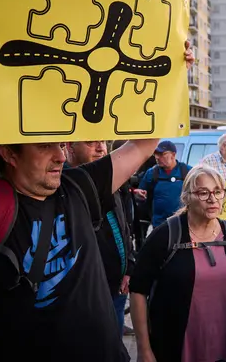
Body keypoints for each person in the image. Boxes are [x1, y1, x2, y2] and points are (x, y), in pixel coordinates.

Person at [0, 0, 194, 362]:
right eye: (45, 146)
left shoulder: (79, 186)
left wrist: (173, 73)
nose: (60, 156)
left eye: (61, 144)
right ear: (9, 153)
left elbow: (143, 144)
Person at [129, 166, 226, 362]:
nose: (212, 199)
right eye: (203, 193)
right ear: (187, 197)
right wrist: (144, 349)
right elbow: (138, 290)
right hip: (176, 347)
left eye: (218, 191)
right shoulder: (166, 235)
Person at [65, 140, 135, 335]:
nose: (101, 148)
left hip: (117, 285)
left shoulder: (115, 179)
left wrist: (129, 265)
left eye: (103, 141)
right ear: (70, 146)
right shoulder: (63, 184)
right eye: (90, 142)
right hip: (85, 294)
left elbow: (125, 225)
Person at [135, 140, 192, 229]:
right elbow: (140, 192)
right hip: (159, 224)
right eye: (156, 154)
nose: (157, 157)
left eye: (162, 154)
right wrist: (138, 194)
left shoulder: (187, 171)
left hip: (183, 223)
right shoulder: (152, 173)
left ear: (173, 155)